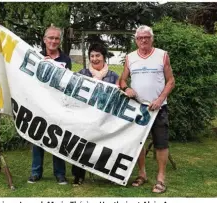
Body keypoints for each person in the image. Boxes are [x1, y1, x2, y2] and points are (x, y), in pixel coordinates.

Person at [119, 25, 175, 193]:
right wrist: (126, 88)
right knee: (139, 143)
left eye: (147, 37)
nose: (143, 40)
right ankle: (142, 174)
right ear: (136, 40)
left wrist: (159, 99)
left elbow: (171, 81)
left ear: (152, 38)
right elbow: (122, 81)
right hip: (138, 108)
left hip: (158, 108)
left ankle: (160, 179)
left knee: (161, 144)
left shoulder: (162, 55)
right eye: (140, 37)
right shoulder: (130, 58)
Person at [27, 25, 72, 185]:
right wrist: (42, 65)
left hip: (57, 105)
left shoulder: (66, 59)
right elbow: (30, 81)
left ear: (60, 40)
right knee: (37, 137)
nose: (53, 41)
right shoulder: (37, 57)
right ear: (45, 40)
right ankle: (35, 172)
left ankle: (60, 174)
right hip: (39, 105)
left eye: (57, 38)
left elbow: (67, 83)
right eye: (50, 38)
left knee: (58, 139)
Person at [72, 43, 119, 186]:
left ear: (104, 57)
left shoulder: (113, 76)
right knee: (81, 146)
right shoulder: (82, 74)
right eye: (92, 56)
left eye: (98, 55)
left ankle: (109, 174)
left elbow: (119, 98)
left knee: (108, 146)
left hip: (105, 119)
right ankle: (78, 176)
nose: (94, 59)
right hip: (85, 117)